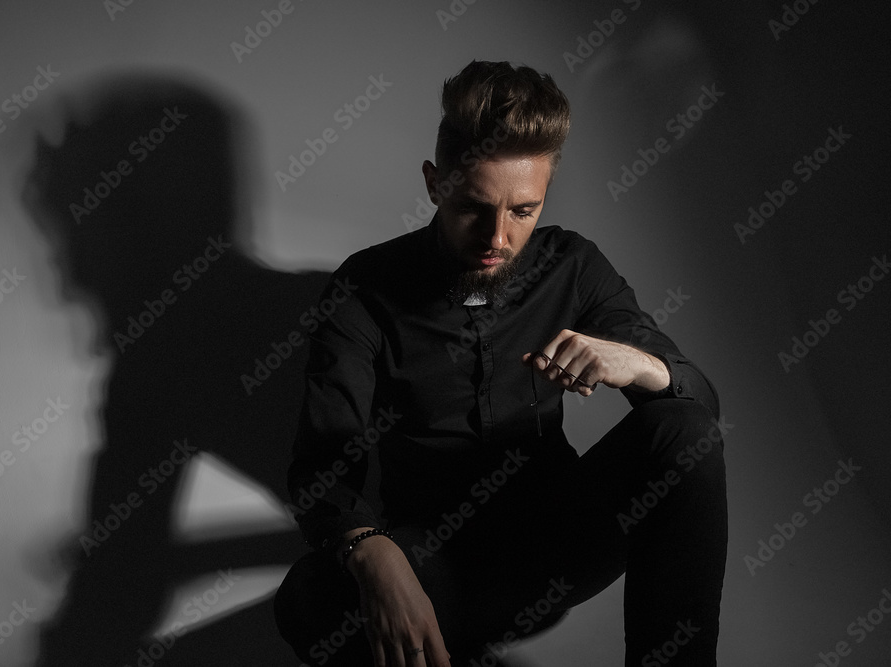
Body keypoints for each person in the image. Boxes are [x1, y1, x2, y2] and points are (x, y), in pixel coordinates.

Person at [274, 60, 727, 666]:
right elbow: (323, 464)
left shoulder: (573, 265)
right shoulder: (364, 288)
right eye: (472, 207)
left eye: (523, 211)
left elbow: (701, 404)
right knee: (309, 597)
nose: (497, 237)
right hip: (439, 568)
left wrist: (637, 364)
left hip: (558, 543)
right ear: (436, 184)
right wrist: (370, 550)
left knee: (686, 430)